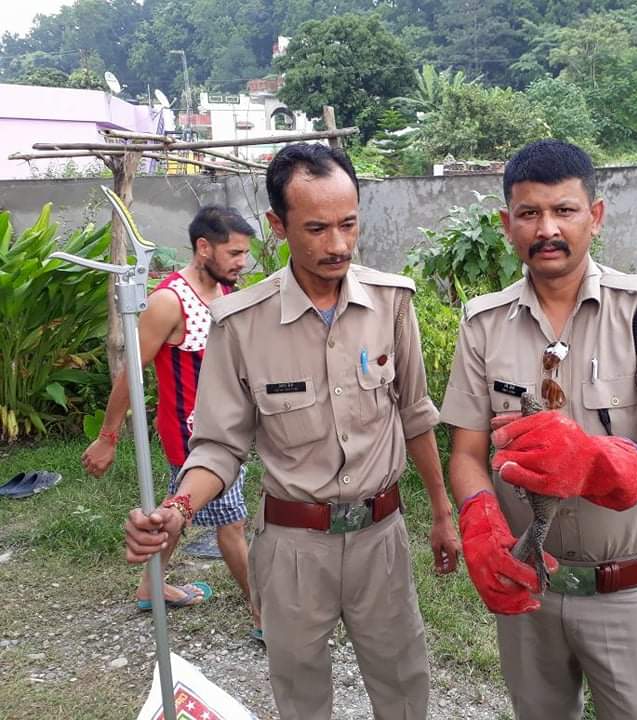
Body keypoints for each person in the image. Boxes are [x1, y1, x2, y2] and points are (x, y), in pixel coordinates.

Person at [122, 142, 461, 720]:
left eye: (349, 224)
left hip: (382, 536)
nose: (337, 245)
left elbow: (415, 413)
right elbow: (218, 444)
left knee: (404, 681)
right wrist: (178, 507)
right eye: (316, 228)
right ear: (278, 226)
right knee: (300, 690)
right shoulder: (241, 324)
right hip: (293, 546)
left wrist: (442, 510)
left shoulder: (391, 302)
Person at [441, 139, 637, 720]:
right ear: (506, 224)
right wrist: (477, 513)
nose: (547, 228)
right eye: (529, 213)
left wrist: (600, 462)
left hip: (629, 591)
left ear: (594, 216)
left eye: (564, 210)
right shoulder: (483, 324)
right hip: (530, 590)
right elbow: (465, 453)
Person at [81, 206, 256, 626]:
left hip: (227, 429)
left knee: (180, 511)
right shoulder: (169, 301)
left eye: (244, 253)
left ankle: (150, 585)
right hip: (194, 438)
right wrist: (108, 437)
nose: (242, 261)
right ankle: (265, 611)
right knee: (232, 523)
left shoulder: (224, 290)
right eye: (234, 252)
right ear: (203, 248)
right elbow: (131, 375)